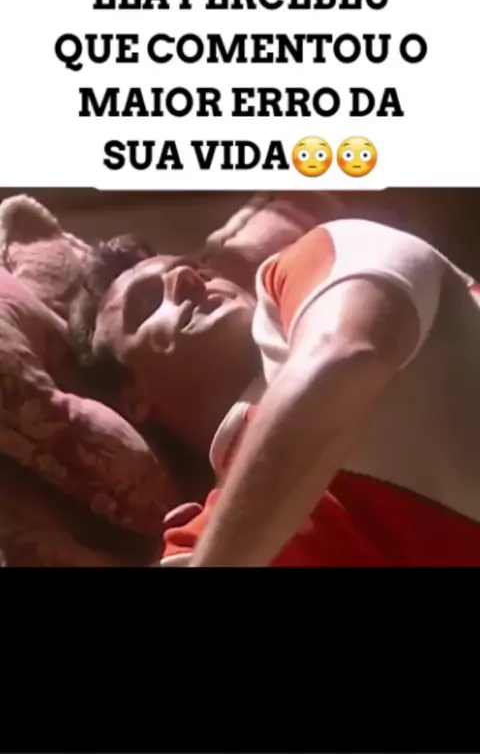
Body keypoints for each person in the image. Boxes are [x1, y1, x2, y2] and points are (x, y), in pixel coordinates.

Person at [70, 219, 480, 567]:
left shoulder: (310, 258)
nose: (187, 278)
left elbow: (346, 356)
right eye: (147, 303)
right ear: (132, 401)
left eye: (197, 269)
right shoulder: (197, 539)